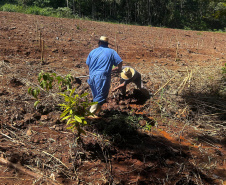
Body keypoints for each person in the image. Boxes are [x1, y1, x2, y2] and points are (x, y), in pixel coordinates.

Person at [86, 36, 122, 114]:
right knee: (100, 96)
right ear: (107, 44)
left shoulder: (93, 51)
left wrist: (92, 73)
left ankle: (97, 113)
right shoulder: (111, 52)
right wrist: (119, 70)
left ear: (100, 43)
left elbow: (88, 64)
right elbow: (120, 62)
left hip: (92, 77)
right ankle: (90, 115)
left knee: (96, 95)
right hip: (102, 77)